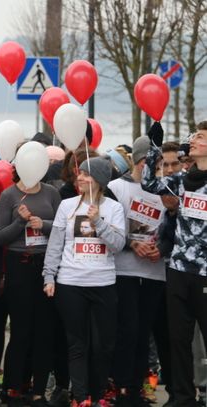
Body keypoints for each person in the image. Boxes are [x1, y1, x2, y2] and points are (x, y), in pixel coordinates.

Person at [43, 156, 126, 407]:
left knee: (103, 346)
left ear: (99, 180)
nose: (79, 178)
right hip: (70, 283)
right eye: (79, 174)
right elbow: (56, 244)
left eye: (86, 175)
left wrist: (98, 222)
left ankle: (99, 395)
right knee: (76, 344)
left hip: (102, 283)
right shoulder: (67, 206)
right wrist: (49, 276)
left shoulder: (114, 208)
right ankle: (80, 398)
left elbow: (118, 245)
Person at [141, 122, 207, 407]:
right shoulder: (181, 179)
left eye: (200, 137)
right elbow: (149, 184)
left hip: (205, 271)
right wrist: (155, 149)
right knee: (178, 339)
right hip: (179, 269)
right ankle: (182, 397)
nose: (192, 140)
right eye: (193, 136)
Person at [0, 155, 61, 407]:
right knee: (21, 330)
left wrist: (42, 224)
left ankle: (38, 390)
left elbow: (61, 226)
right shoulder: (9, 196)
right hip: (18, 265)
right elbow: (0, 236)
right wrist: (21, 221)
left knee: (45, 330)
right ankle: (12, 387)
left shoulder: (51, 193)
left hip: (45, 264)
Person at [108, 136, 168, 407]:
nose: (155, 169)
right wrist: (132, 244)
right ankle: (120, 387)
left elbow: (172, 229)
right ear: (139, 161)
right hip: (124, 271)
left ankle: (136, 388)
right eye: (150, 163)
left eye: (158, 166)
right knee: (126, 330)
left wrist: (162, 249)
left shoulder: (165, 190)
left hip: (154, 272)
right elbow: (107, 228)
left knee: (144, 333)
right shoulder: (115, 187)